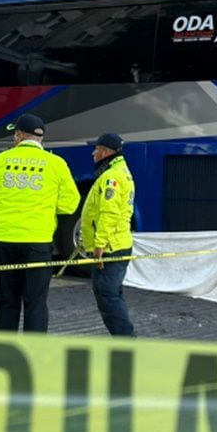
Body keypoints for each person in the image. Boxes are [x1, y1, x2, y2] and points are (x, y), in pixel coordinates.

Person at [0, 113, 80, 333]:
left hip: (4, 240)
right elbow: (70, 204)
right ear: (40, 138)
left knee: (6, 301)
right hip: (37, 243)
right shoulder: (56, 164)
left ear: (19, 136)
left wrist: (4, 207)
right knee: (35, 303)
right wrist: (45, 207)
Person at [80, 132, 136, 336]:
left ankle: (124, 340)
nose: (93, 153)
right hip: (118, 244)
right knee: (112, 294)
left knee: (107, 296)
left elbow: (109, 213)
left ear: (105, 152)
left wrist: (99, 245)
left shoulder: (111, 177)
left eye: (96, 149)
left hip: (111, 247)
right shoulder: (120, 171)